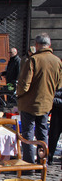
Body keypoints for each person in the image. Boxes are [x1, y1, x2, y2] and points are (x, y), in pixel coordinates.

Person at [17, 33, 62, 167]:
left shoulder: (33, 60)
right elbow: (59, 84)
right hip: (47, 103)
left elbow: (24, 84)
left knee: (28, 135)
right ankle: (43, 162)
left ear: (37, 45)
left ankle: (29, 164)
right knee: (43, 135)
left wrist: (19, 95)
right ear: (49, 45)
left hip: (29, 104)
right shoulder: (57, 61)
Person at [48, 87, 62, 166]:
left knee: (54, 136)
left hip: (58, 115)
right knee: (53, 136)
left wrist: (52, 99)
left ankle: (49, 156)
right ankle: (49, 157)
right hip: (57, 115)